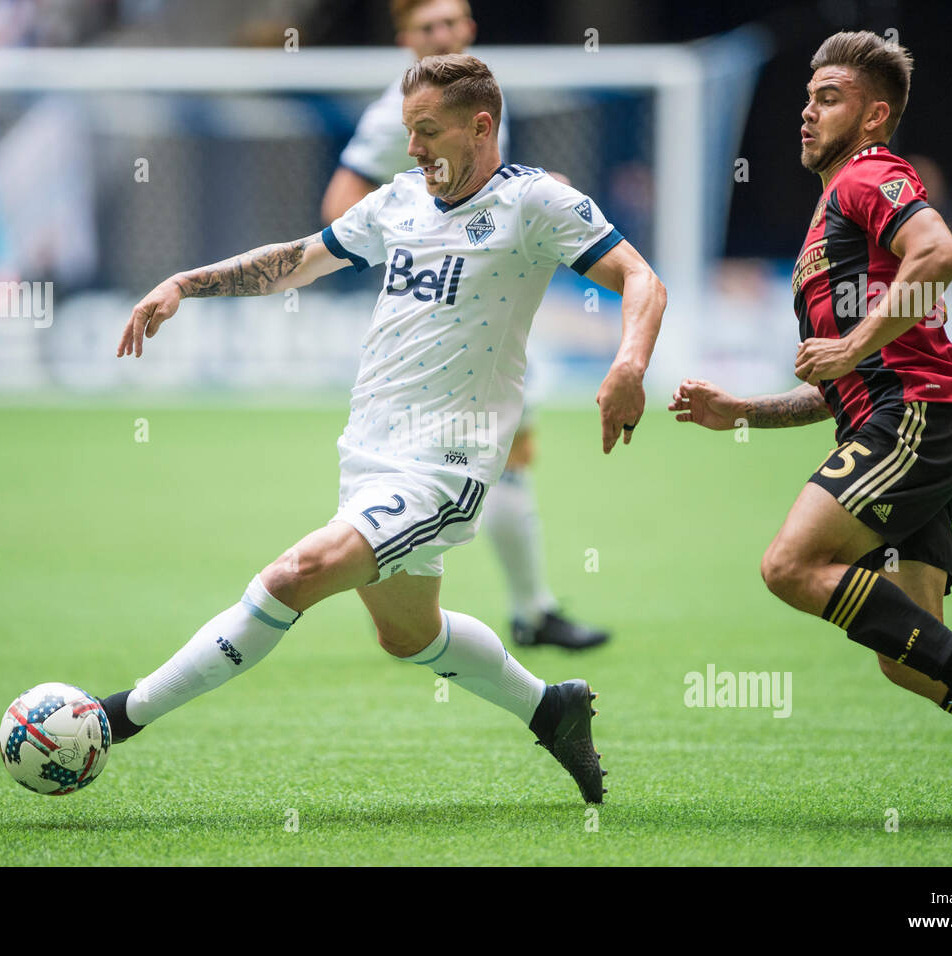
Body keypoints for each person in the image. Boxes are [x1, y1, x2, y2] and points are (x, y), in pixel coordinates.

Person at [103, 54, 667, 803]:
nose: (412, 149)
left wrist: (629, 364)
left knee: (293, 577)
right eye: (408, 131)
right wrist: (185, 283)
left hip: (446, 465)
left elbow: (641, 279)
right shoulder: (398, 201)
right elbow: (298, 261)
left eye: (427, 131)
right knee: (408, 635)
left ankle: (117, 719)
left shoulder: (534, 204)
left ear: (481, 126)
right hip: (368, 454)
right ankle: (549, 708)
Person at [669, 31, 952, 822]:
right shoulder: (829, 215)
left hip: (915, 420)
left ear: (874, 117)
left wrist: (855, 344)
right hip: (897, 422)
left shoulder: (872, 175)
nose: (806, 112)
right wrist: (743, 411)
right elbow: (838, 386)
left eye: (828, 98)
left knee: (790, 564)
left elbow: (940, 254)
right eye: (807, 96)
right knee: (911, 657)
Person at [322, 0, 610, 651]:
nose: (442, 36)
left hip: (490, 314)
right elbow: (340, 208)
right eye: (428, 29)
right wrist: (417, 235)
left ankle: (526, 609)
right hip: (434, 328)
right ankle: (421, 615)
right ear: (404, 40)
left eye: (451, 24)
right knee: (442, 465)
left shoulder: (481, 97)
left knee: (515, 456)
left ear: (471, 29)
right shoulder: (386, 118)